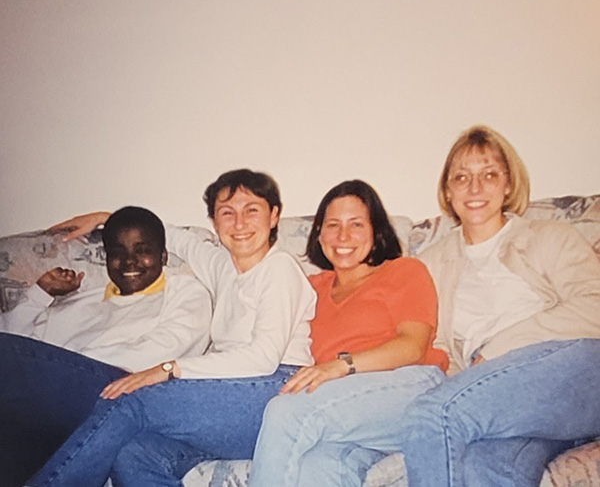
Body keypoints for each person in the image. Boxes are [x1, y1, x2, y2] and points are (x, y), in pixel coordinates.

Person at [252, 126, 600, 487]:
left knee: (433, 414)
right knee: (482, 469)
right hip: (498, 404)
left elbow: (594, 306)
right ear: (447, 191)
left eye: (489, 175)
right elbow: (441, 346)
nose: (475, 188)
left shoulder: (549, 237)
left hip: (564, 371)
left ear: (509, 184)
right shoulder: (434, 261)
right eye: (461, 178)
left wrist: (497, 349)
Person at [26, 169, 316, 487]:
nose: (239, 223)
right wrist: (106, 217)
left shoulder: (279, 268)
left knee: (132, 399)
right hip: (231, 405)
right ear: (214, 223)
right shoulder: (222, 265)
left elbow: (263, 357)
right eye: (226, 213)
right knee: (135, 455)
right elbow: (171, 236)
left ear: (274, 216)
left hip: (275, 394)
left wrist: (169, 369)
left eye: (252, 210)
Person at [248, 180, 448, 487]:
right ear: (319, 233)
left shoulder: (404, 271)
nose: (343, 236)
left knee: (286, 412)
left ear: (375, 230)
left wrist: (341, 365)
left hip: (411, 390)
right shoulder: (310, 288)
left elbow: (412, 346)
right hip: (346, 411)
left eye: (356, 225)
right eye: (332, 225)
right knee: (317, 467)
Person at [0, 206, 211, 487]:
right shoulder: (77, 298)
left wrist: (70, 366)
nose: (129, 261)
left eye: (142, 250)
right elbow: (15, 343)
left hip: (123, 389)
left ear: (163, 256)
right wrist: (40, 294)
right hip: (55, 405)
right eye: (117, 252)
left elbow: (167, 349)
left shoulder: (183, 291)